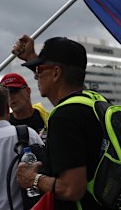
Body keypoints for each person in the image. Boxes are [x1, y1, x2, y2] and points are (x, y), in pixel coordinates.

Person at [13, 35, 112, 210]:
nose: (36, 76)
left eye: (39, 70)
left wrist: (33, 179)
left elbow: (71, 189)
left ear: (56, 73)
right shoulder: (96, 102)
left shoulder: (64, 117)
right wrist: (32, 57)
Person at [0, 72, 49, 138]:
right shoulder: (4, 128)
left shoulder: (48, 119)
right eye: (6, 94)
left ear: (28, 91)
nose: (10, 97)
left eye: (14, 91)